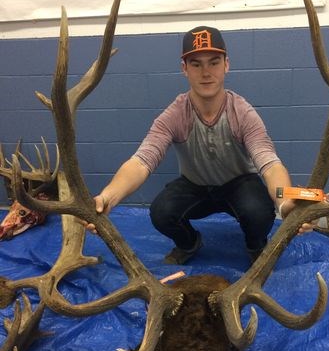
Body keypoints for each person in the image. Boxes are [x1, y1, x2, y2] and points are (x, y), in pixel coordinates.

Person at [88, 26, 313, 264]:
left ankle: (255, 246)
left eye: (214, 62)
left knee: (259, 213)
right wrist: (107, 198)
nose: (206, 72)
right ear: (184, 69)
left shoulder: (243, 113)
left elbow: (269, 163)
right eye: (196, 64)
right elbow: (142, 161)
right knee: (161, 212)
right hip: (195, 186)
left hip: (239, 184)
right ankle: (189, 243)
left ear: (226, 65)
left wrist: (285, 202)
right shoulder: (174, 114)